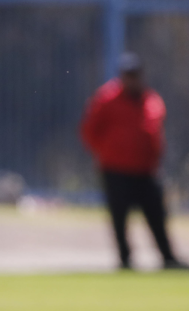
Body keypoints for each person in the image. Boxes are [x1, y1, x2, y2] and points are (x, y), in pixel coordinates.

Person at [80, 52, 186, 271]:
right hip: (116, 169)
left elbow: (156, 130)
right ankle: (125, 259)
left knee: (157, 214)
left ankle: (167, 257)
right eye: (129, 75)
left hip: (146, 169)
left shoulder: (151, 99)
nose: (133, 79)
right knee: (120, 217)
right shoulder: (106, 99)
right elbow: (89, 131)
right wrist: (108, 152)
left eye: (136, 74)